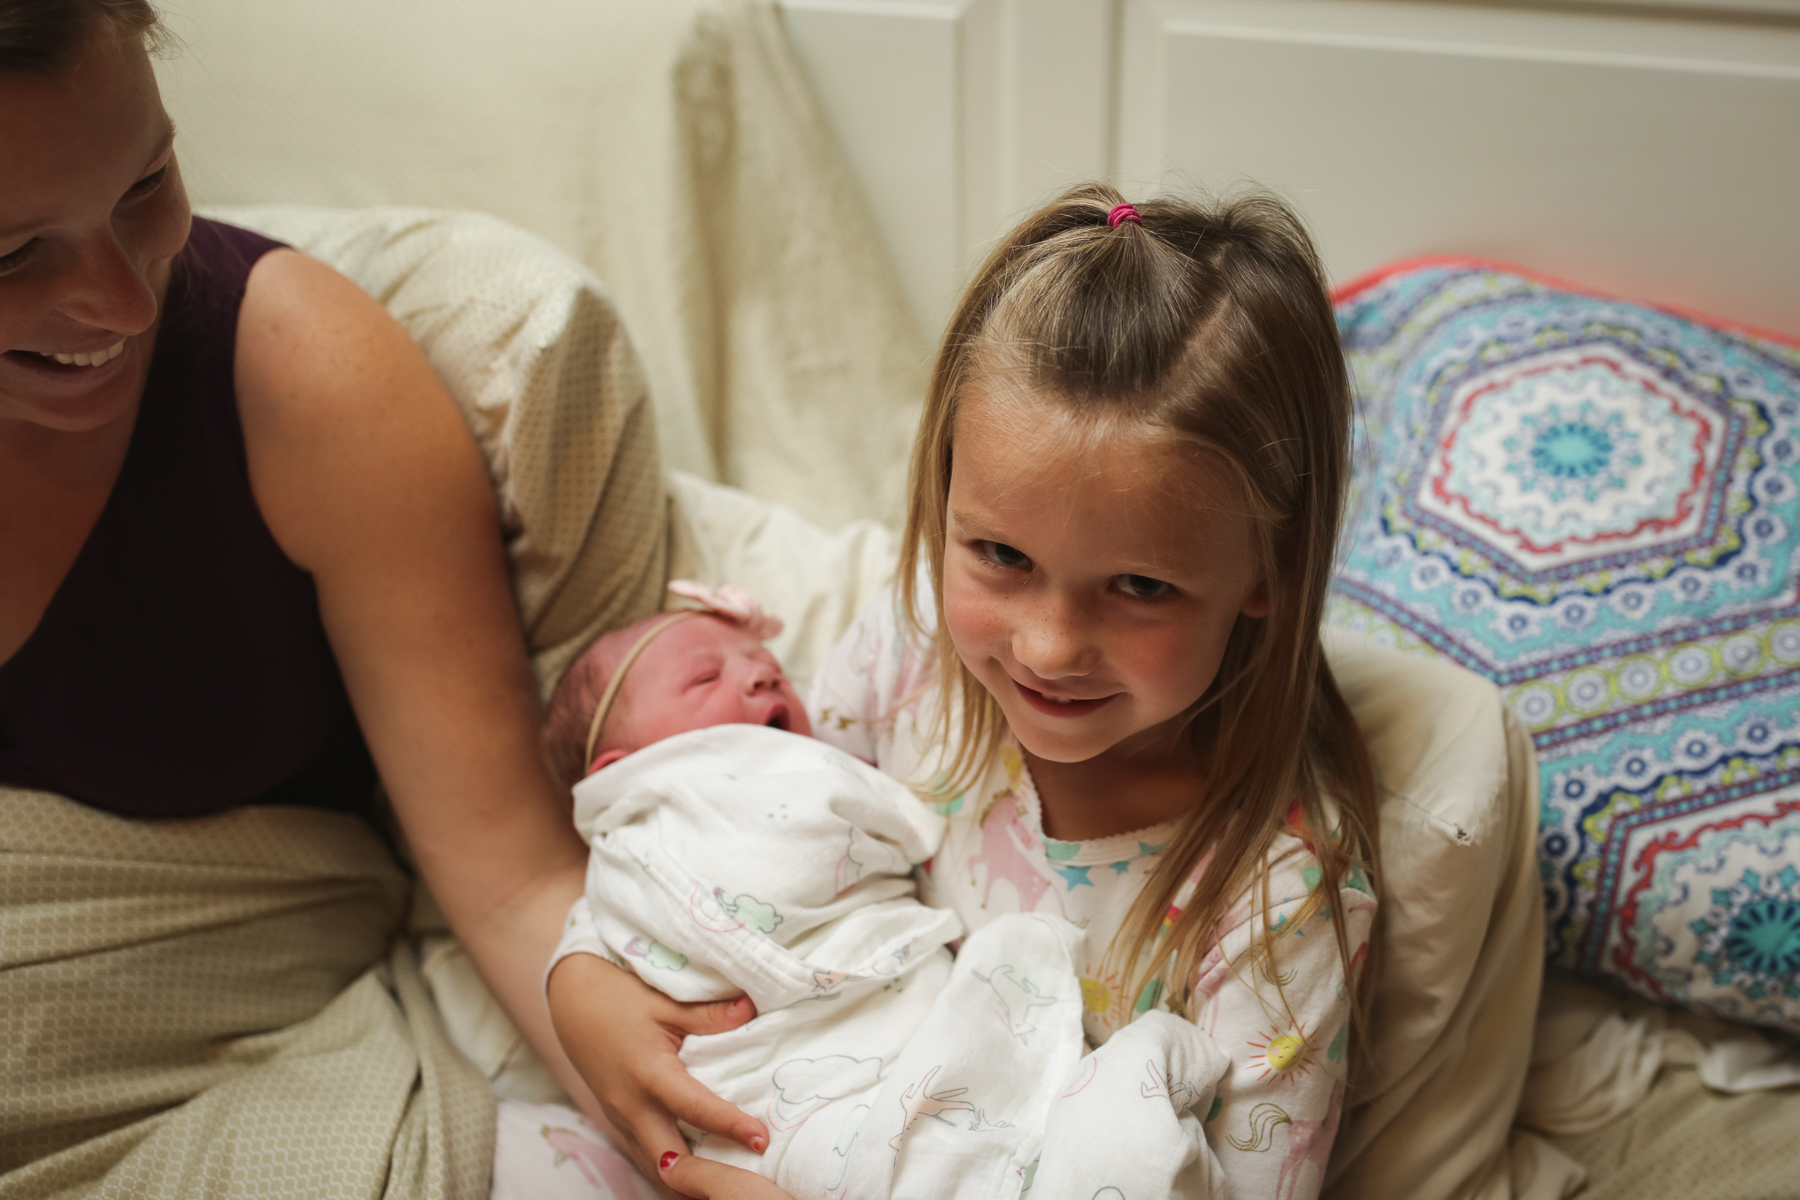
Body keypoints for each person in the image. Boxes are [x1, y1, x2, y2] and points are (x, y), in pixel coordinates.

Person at [0, 4, 781, 1197]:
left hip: (238, 1037)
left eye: (146, 184)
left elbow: (513, 881)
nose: (124, 299)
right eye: (13, 254)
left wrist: (701, 1123)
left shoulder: (311, 385)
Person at [553, 186, 1382, 1200]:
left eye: (1139, 586)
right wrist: (582, 978)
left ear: (1270, 571)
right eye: (1002, 555)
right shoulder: (907, 653)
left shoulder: (1279, 902)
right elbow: (742, 837)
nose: (1049, 647)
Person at [529, 581, 1228, 1198]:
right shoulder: (661, 823)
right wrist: (575, 979)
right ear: (621, 771)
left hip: (895, 1053)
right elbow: (827, 845)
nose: (762, 676)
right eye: (705, 677)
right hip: (779, 1099)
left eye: (768, 665)